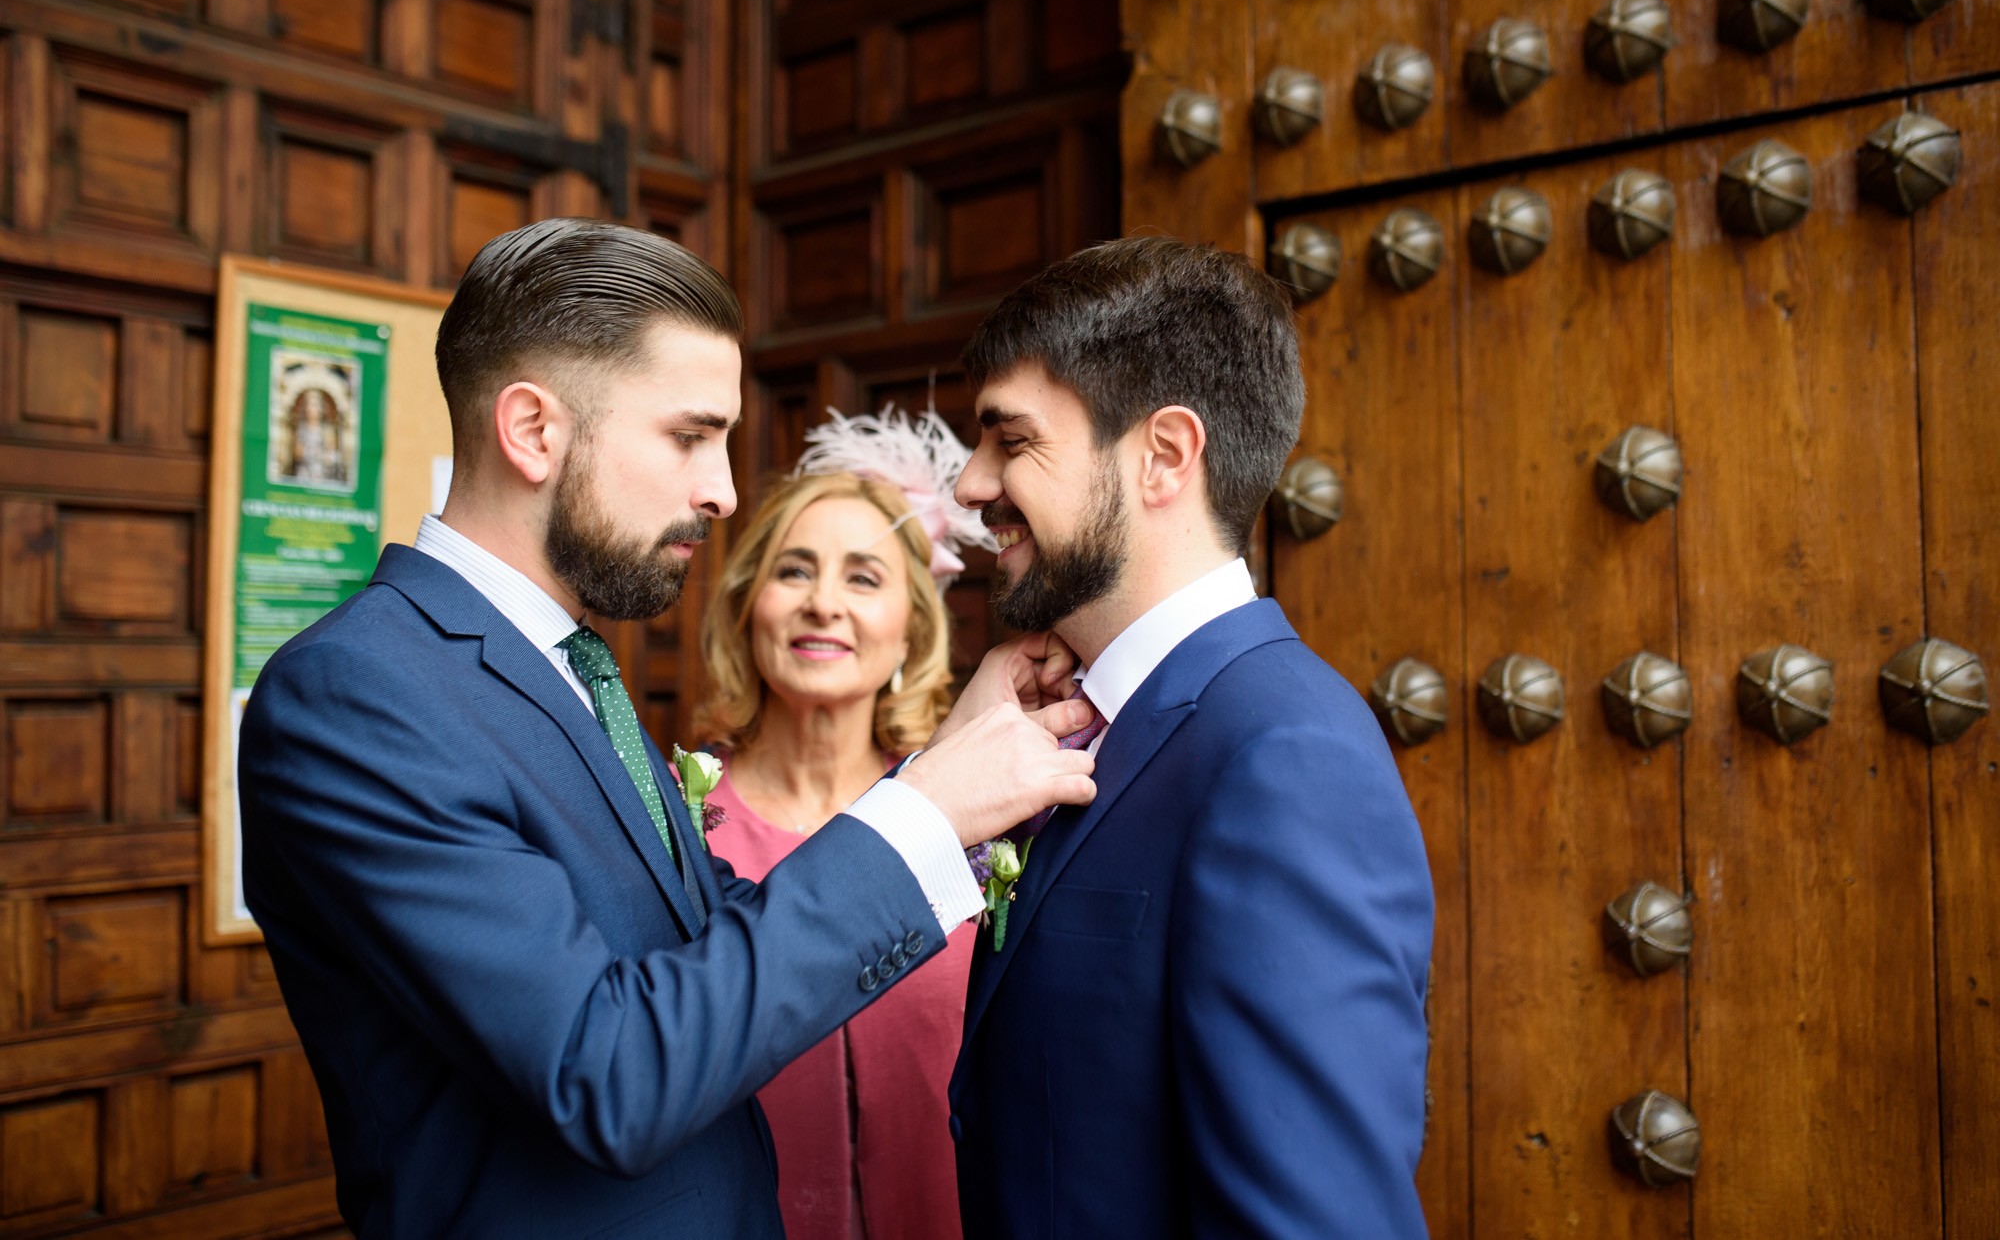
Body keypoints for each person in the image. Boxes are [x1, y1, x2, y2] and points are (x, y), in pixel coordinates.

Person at [235, 219, 1096, 1239]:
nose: (723, 491)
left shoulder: (563, 670)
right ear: (532, 430)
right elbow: (605, 1070)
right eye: (689, 436)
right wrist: (923, 811)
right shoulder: (358, 694)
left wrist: (943, 767)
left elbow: (709, 941)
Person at [947, 235, 1435, 1238]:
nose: (968, 484)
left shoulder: (1281, 757)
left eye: (1012, 442)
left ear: (1163, 455)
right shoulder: (1069, 725)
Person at [694, 407, 994, 1240]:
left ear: (910, 626)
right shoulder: (678, 818)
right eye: (793, 571)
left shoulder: (970, 820)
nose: (823, 603)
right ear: (750, 606)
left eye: (863, 578)